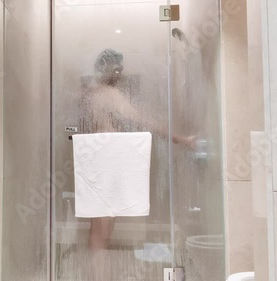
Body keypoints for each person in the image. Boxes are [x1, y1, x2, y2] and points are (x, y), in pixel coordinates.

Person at [78, 48, 195, 280]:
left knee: (100, 225)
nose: (120, 74)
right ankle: (98, 276)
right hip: (105, 160)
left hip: (96, 160)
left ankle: (97, 275)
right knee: (102, 227)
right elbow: (141, 120)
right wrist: (179, 138)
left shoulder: (91, 93)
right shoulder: (107, 93)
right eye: (117, 69)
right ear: (106, 68)